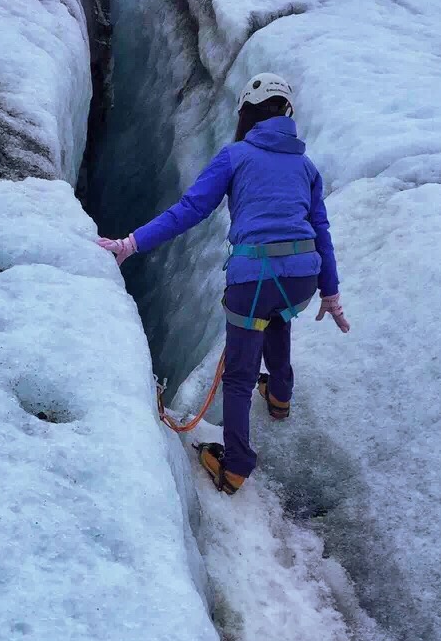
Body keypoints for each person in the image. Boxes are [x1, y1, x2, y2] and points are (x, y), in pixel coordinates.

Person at [97, 73, 349, 495]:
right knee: (279, 318)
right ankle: (280, 396)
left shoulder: (236, 156)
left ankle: (235, 465)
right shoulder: (306, 166)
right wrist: (331, 291)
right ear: (287, 115)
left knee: (238, 374)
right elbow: (320, 229)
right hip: (303, 277)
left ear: (247, 113)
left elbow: (190, 209)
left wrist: (131, 244)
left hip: (254, 277)